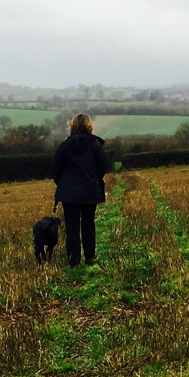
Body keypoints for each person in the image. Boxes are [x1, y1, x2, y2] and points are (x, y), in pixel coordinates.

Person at [53, 113, 111, 267]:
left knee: (71, 226)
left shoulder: (65, 145)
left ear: (72, 126)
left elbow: (57, 168)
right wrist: (93, 180)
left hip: (69, 192)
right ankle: (90, 257)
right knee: (88, 224)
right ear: (89, 126)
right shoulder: (95, 145)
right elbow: (102, 167)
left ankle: (73, 260)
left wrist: (62, 182)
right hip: (89, 190)